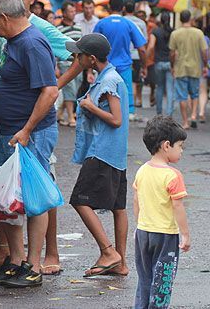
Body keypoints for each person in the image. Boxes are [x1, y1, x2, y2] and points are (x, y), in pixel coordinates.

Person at [0, 0, 59, 287]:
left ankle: (34, 265)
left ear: (4, 18)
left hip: (30, 134)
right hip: (11, 133)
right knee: (5, 197)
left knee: (32, 197)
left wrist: (27, 129)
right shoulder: (13, 42)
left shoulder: (32, 42)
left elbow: (49, 91)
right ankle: (15, 261)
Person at [67, 34, 129, 277]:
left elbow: (116, 119)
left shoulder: (109, 81)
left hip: (102, 151)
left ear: (91, 59)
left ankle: (108, 252)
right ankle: (121, 263)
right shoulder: (109, 77)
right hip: (115, 153)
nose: (76, 58)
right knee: (117, 206)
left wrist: (91, 107)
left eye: (79, 55)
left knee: (79, 200)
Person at [134, 116, 190, 308]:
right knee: (162, 283)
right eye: (180, 146)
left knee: (145, 278)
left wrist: (140, 223)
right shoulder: (172, 175)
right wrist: (185, 234)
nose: (181, 151)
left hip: (142, 232)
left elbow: (136, 200)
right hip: (166, 235)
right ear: (167, 145)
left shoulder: (142, 170)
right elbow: (177, 206)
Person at [93, 0, 147, 119]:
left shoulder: (101, 23)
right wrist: (144, 66)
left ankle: (104, 112)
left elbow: (93, 45)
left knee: (104, 91)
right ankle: (129, 112)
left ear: (109, 8)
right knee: (126, 90)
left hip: (105, 66)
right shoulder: (129, 24)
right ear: (122, 8)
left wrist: (91, 69)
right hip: (124, 65)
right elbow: (142, 49)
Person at [169, 10, 208, 129]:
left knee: (182, 96)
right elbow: (204, 51)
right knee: (195, 94)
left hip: (181, 68)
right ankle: (194, 115)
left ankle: (185, 122)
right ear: (190, 19)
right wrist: (205, 64)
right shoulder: (199, 33)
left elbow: (172, 53)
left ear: (180, 19)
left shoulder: (175, 34)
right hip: (195, 68)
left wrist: (172, 66)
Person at [57, 0, 83, 127]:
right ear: (64, 13)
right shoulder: (58, 29)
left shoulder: (79, 27)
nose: (73, 13)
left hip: (79, 64)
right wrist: (56, 65)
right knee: (69, 88)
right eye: (70, 11)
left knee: (75, 90)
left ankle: (60, 113)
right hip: (64, 63)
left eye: (74, 11)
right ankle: (70, 117)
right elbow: (55, 48)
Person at [124, 0, 150, 109]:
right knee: (136, 81)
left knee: (127, 82)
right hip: (137, 55)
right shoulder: (141, 23)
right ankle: (132, 105)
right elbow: (144, 43)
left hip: (124, 55)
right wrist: (145, 65)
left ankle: (129, 105)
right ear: (134, 8)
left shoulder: (122, 21)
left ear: (124, 8)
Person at [148, 12, 174, 116]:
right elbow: (175, 50)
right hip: (170, 63)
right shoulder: (173, 32)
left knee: (160, 87)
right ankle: (169, 113)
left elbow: (150, 46)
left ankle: (159, 112)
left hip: (158, 62)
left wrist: (146, 59)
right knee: (170, 88)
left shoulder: (156, 31)